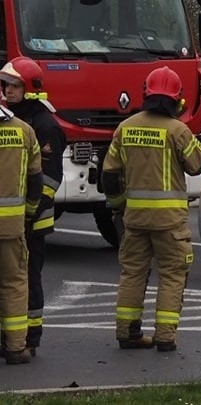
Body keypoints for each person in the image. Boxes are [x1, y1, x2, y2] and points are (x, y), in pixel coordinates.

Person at [101, 66, 201, 352]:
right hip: (170, 223)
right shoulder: (177, 131)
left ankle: (127, 332)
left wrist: (118, 207)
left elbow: (109, 176)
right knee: (173, 275)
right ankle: (165, 337)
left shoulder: (126, 127)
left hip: (134, 219)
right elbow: (198, 164)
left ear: (145, 94)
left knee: (132, 274)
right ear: (176, 99)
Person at [0, 56, 66, 357]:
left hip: (34, 220)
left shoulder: (44, 125)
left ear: (29, 88)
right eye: (5, 85)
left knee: (28, 278)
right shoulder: (12, 119)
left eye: (13, 86)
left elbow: (50, 179)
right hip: (16, 218)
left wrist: (31, 212)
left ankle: (31, 337)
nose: (7, 91)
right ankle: (12, 337)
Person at [0, 103, 43, 364]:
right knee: (14, 284)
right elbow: (35, 180)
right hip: (11, 226)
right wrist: (27, 213)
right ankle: (16, 347)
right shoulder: (25, 131)